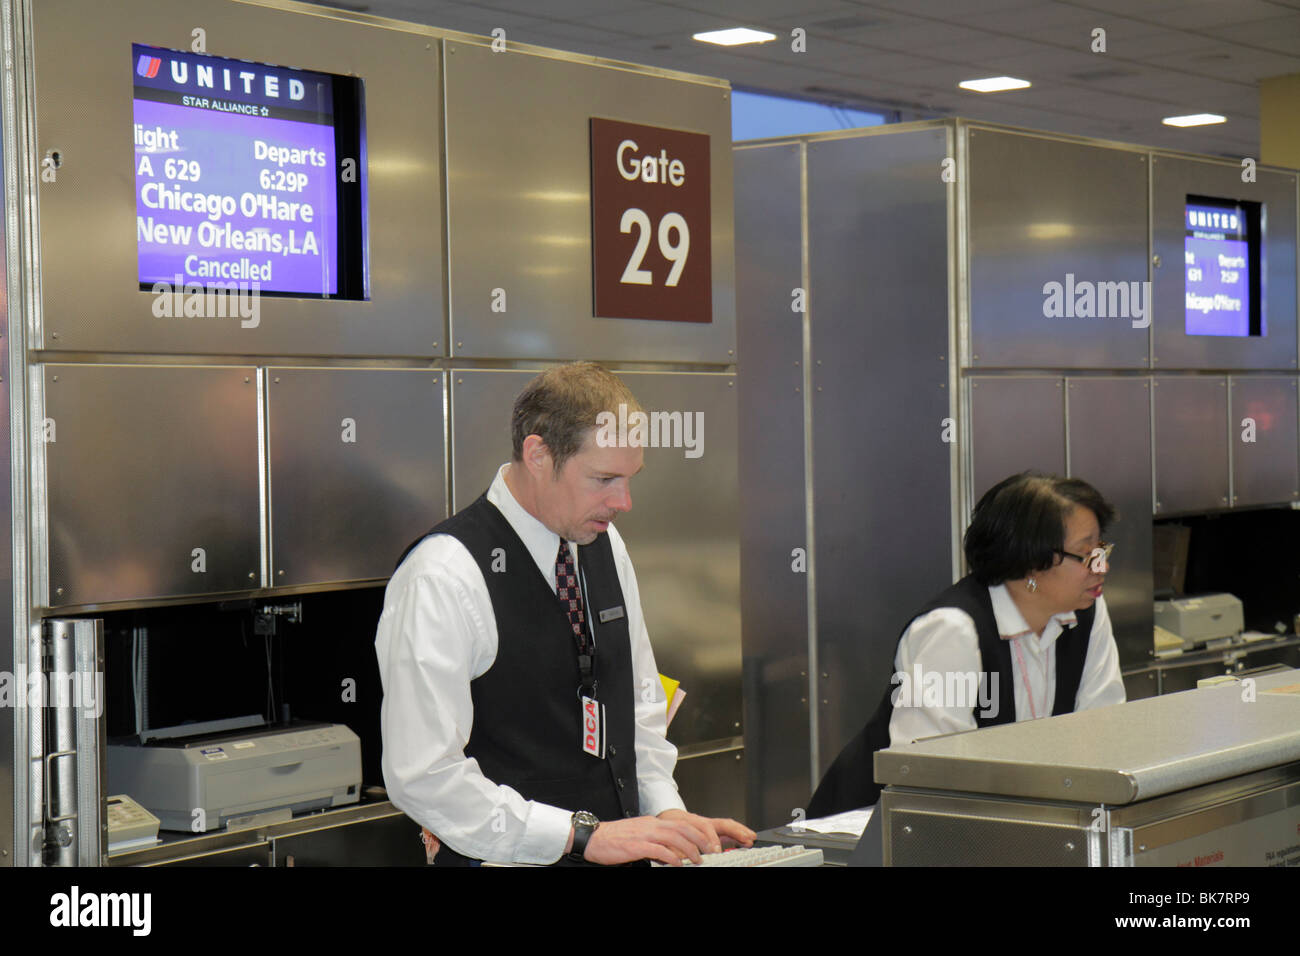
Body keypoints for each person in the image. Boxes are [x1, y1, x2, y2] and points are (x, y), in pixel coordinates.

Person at [375, 362, 755, 865]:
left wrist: (665, 815)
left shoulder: (603, 543)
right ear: (538, 454)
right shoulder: (443, 574)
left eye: (630, 478)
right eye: (603, 478)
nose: (624, 501)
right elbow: (423, 775)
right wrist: (579, 836)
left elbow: (639, 703)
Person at [808, 471, 1126, 817]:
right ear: (1032, 560)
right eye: (1087, 554)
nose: (1102, 566)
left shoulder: (1086, 613)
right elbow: (929, 777)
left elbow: (1102, 735)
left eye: (1101, 549)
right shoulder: (952, 629)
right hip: (874, 831)